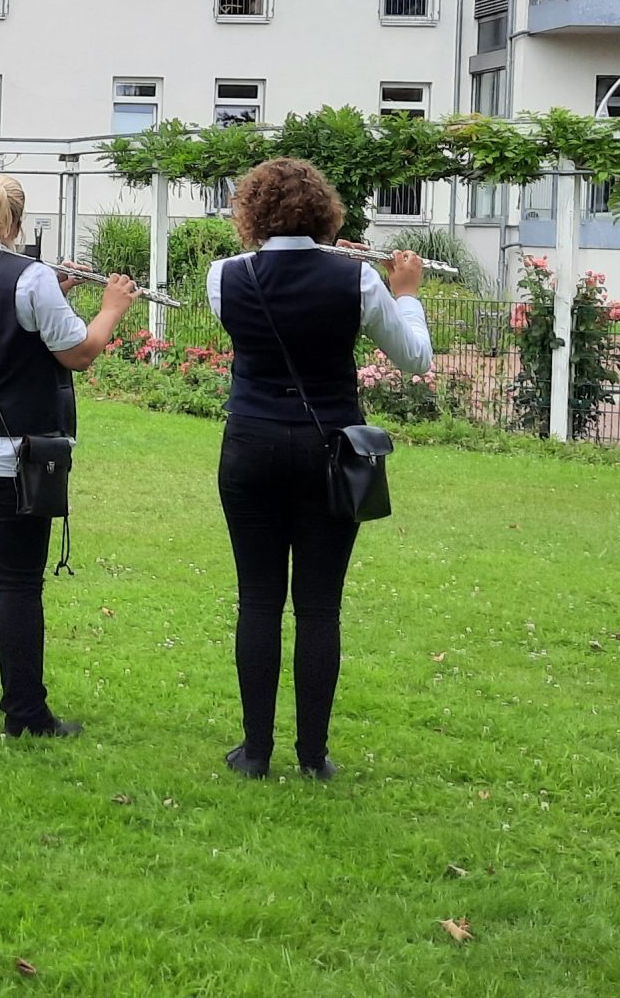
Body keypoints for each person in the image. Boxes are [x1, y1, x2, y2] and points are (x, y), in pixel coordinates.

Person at [205, 158, 431, 780]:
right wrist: (404, 295)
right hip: (330, 451)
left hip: (249, 445)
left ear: (251, 213)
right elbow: (414, 359)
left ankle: (254, 752)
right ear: (325, 215)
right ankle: (312, 757)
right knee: (319, 606)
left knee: (257, 598)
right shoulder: (356, 279)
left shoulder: (223, 276)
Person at [0, 175, 138, 737]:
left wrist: (48, 293)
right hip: (10, 452)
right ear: (16, 222)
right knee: (16, 583)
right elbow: (79, 352)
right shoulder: (29, 276)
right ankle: (26, 713)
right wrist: (112, 307)